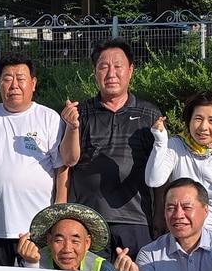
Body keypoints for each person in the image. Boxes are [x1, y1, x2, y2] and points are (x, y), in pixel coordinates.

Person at [59, 39, 161, 258]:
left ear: (131, 70)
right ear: (95, 72)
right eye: (103, 67)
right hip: (88, 220)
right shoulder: (80, 112)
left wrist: (160, 217)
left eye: (118, 66)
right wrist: (72, 127)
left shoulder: (149, 114)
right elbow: (68, 160)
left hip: (136, 220)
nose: (111, 73)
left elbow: (161, 171)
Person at [0, 53, 66, 266]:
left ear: (33, 83)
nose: (14, 85)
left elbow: (62, 165)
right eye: (7, 79)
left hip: (36, 226)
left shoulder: (48, 117)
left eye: (20, 79)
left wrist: (58, 209)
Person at [145, 91, 212, 239]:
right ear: (189, 120)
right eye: (198, 119)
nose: (203, 127)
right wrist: (160, 141)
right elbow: (153, 180)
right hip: (181, 236)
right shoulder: (174, 146)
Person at [16, 203, 141, 271]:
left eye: (75, 241)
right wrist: (31, 264)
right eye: (59, 240)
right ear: (49, 240)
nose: (67, 249)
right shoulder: (32, 261)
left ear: (87, 243)